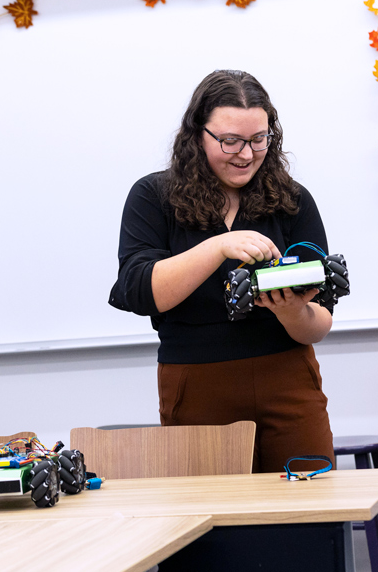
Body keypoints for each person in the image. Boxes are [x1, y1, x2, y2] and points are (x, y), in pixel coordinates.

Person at [109, 69, 335, 474]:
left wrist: (290, 311)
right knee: (212, 520)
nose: (246, 154)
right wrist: (216, 247)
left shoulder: (292, 200)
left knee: (311, 513)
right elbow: (140, 291)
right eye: (230, 141)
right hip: (196, 384)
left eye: (258, 139)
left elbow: (319, 323)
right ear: (198, 135)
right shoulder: (153, 196)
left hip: (289, 380)